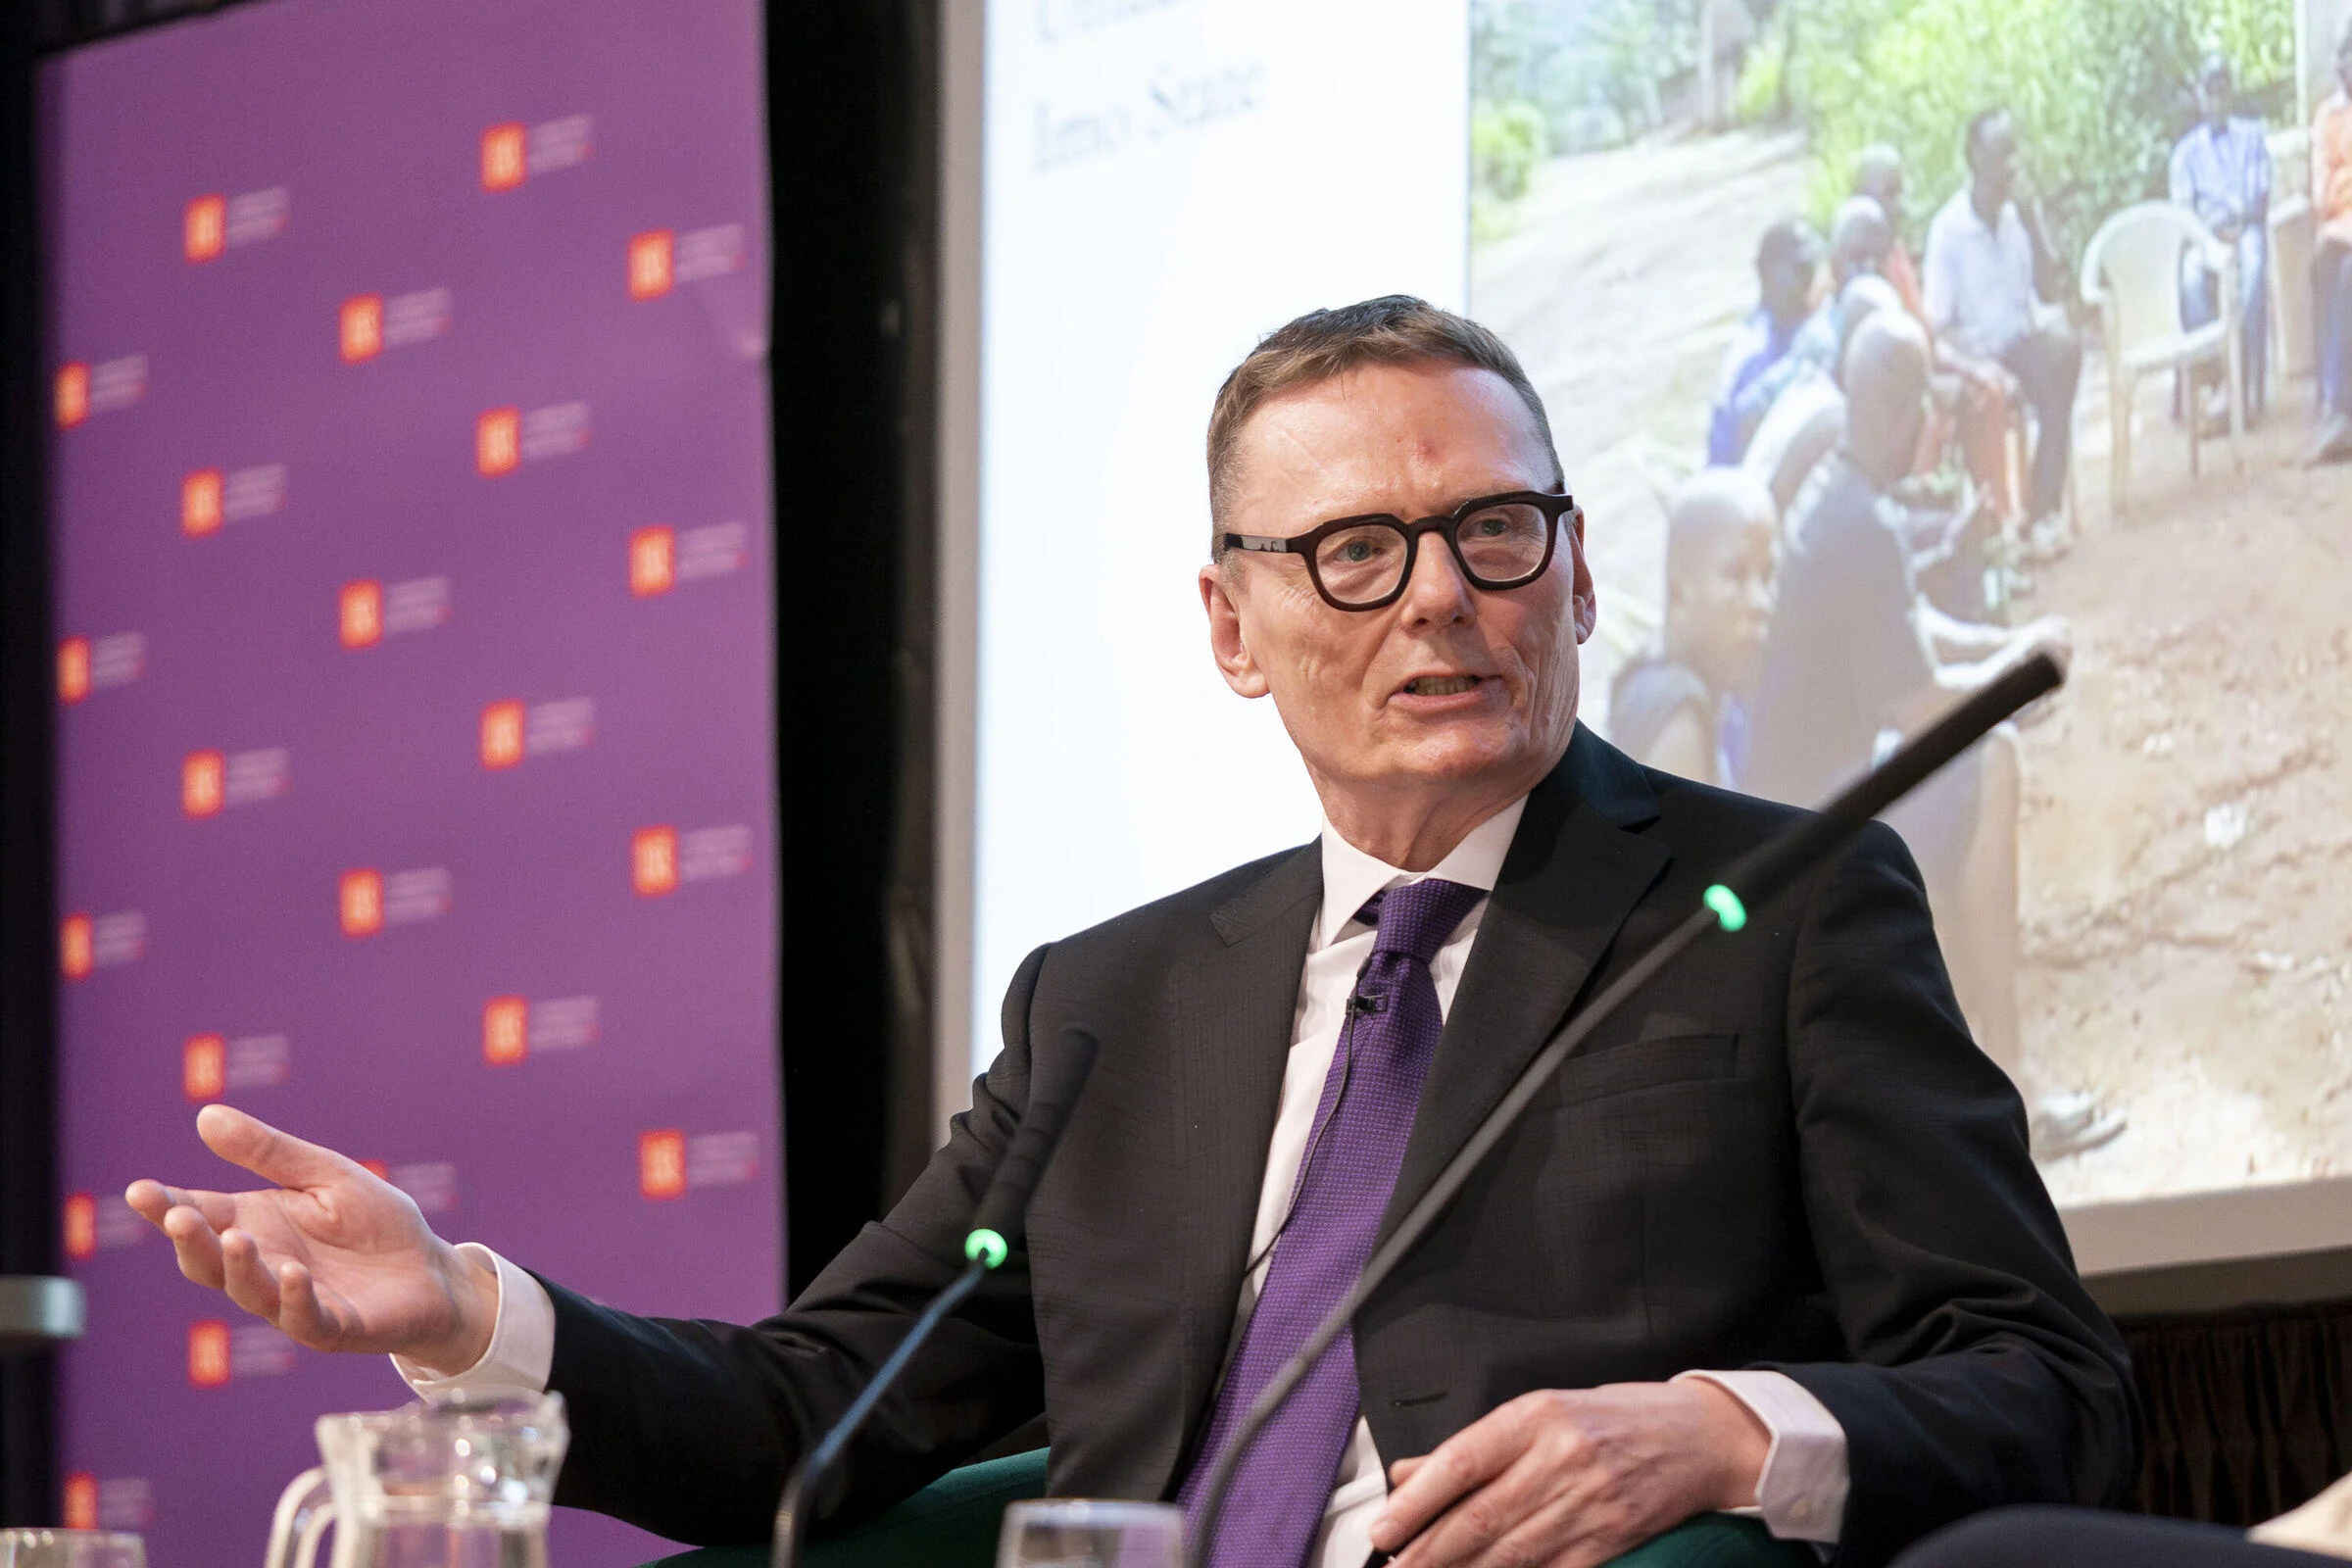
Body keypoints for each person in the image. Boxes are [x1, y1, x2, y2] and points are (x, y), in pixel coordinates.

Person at [130, 298, 2137, 1568]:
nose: (1438, 598)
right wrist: (468, 1308)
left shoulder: (1778, 912)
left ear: (1581, 576)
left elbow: (2041, 1379)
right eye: (1353, 550)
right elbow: (814, 1403)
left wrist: (1715, 1432)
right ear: (1230, 627)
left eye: (1491, 532)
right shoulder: (1111, 1000)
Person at [1741, 313, 2119, 1163]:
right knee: (1994, 761)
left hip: (1811, 800)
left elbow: (1912, 630)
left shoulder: (1843, 495)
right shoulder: (1859, 525)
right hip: (1812, 831)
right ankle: (2009, 1076)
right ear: (1907, 412)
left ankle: (1987, 1065)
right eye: (1930, 409)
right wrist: (2020, 685)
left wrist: (2012, 653)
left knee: (1983, 755)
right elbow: (1916, 705)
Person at [1923, 110, 2081, 545]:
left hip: (2016, 344)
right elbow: (1936, 324)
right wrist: (1974, 367)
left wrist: (2035, 223)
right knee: (1997, 388)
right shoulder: (1949, 232)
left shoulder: (2016, 220)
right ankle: (2001, 523)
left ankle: (2041, 510)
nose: (2011, 165)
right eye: (2000, 154)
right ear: (1975, 159)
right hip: (1975, 356)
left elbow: (2048, 290)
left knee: (2064, 353)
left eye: (2014, 152)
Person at [1857, 143, 2016, 519]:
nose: (1896, 206)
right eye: (1886, 195)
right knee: (1942, 411)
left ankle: (1995, 529)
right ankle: (1923, 526)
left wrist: (1965, 368)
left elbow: (1925, 333)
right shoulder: (1861, 265)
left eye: (1899, 193)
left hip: (1923, 369)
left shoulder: (1894, 252)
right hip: (1896, 396)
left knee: (1985, 391)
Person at [1609, 468, 1777, 788]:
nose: (1761, 602)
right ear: (1679, 591)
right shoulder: (1677, 727)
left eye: (1766, 577)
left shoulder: (1662, 676)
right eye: (1735, 575)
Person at [2170, 52, 2271, 424]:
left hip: (2244, 228)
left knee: (2255, 271)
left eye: (2222, 89)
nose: (2216, 99)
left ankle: (2246, 384)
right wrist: (2210, 230)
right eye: (2209, 90)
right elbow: (2183, 210)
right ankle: (2218, 381)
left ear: (2231, 91)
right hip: (2205, 238)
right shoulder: (2184, 154)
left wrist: (2233, 219)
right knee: (2190, 279)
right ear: (2199, 94)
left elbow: (2259, 192)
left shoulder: (2253, 136)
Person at [1707, 218, 1822, 465]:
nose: (1808, 281)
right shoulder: (1754, 357)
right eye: (1800, 270)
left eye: (1811, 269)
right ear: (1766, 273)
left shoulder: (1803, 323)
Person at [2311, 18, 2352, 465]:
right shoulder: (2328, 118)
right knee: (2323, 266)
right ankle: (2329, 401)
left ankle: (2342, 412)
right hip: (2340, 227)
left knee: (2348, 277)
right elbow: (2322, 194)